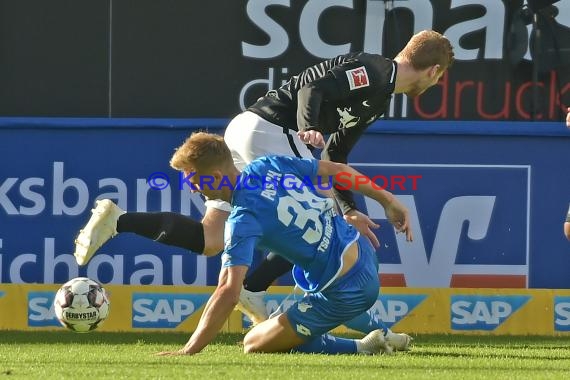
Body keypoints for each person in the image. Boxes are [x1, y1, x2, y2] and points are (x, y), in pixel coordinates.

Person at [74, 29, 454, 325]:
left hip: (251, 129)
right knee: (319, 221)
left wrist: (351, 208)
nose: (435, 84)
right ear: (435, 71)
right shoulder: (376, 70)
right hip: (274, 130)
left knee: (211, 240)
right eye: (439, 79)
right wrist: (308, 129)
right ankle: (257, 289)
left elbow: (337, 155)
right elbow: (312, 88)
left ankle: (118, 220)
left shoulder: (379, 99)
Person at [158, 132, 412, 355]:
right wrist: (387, 200)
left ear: (215, 176)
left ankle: (365, 347)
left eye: (193, 180)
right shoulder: (266, 165)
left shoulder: (243, 220)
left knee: (255, 341)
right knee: (307, 278)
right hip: (361, 249)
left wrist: (190, 349)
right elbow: (339, 171)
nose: (191, 189)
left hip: (346, 289)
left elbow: (228, 291)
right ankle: (386, 333)